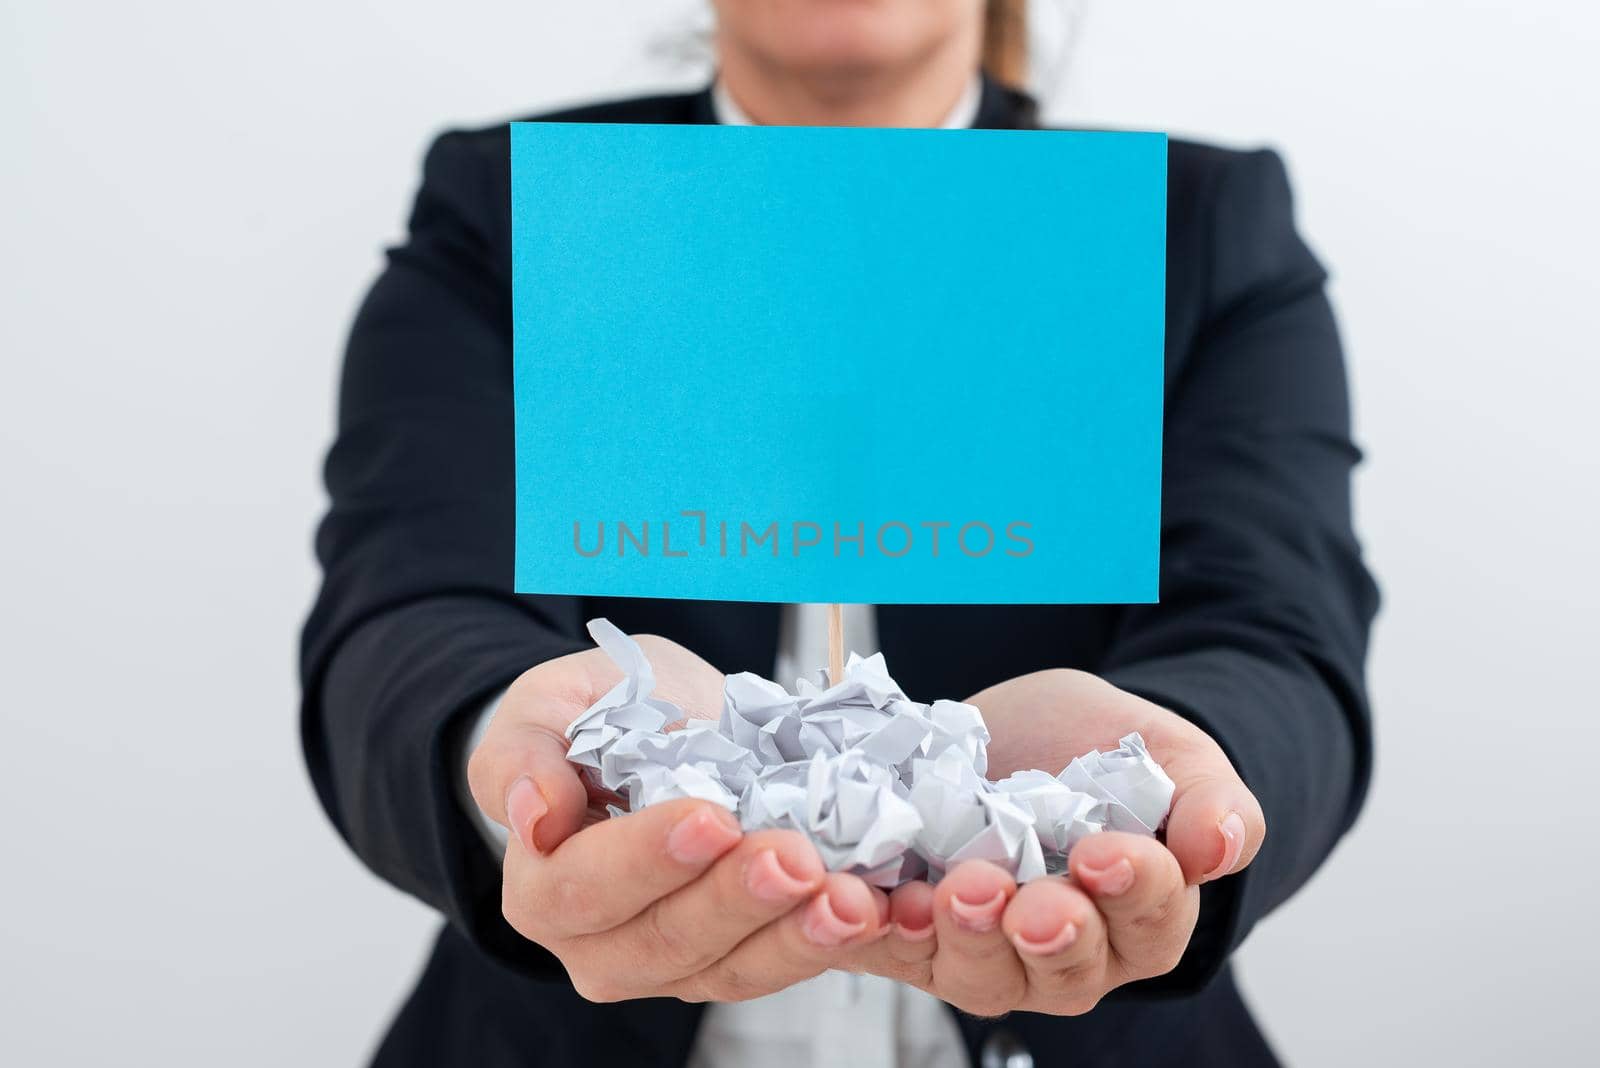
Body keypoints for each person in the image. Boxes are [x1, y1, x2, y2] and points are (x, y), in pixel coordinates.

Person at [300, 1, 1379, 1065]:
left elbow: (1270, 626)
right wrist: (516, 757)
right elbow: (407, 599)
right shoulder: (512, 213)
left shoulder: (1192, 226)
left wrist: (1162, 783)